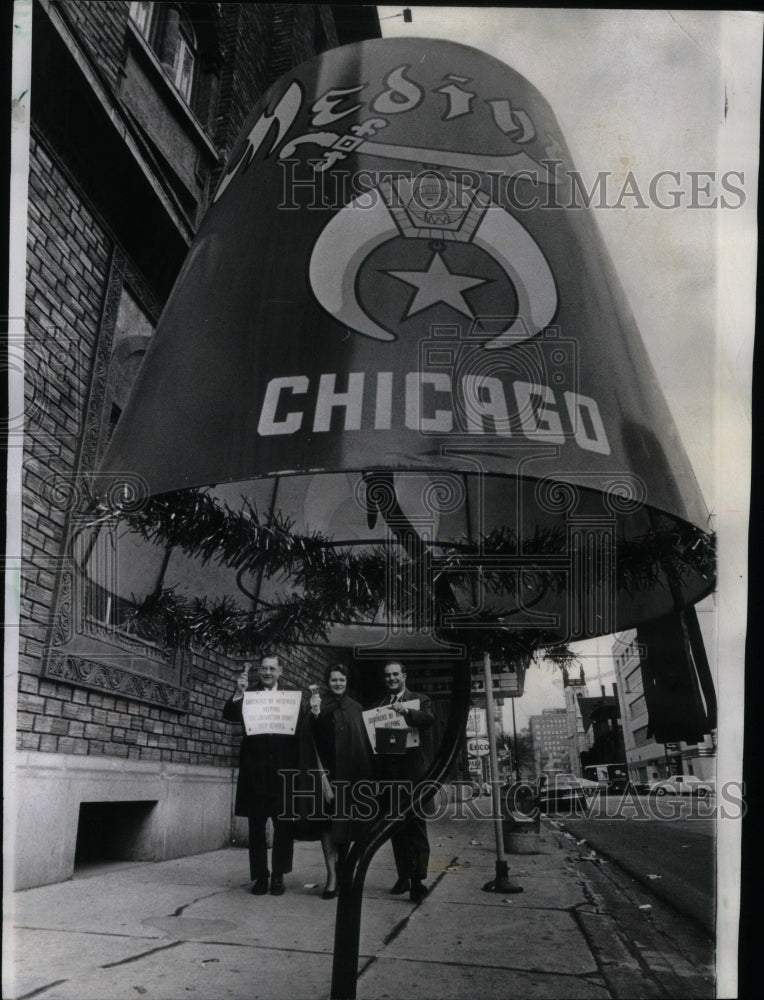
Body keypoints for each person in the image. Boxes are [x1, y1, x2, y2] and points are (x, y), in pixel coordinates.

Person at [222, 654, 302, 897]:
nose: (267, 672)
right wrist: (239, 692)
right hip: (255, 771)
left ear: (280, 671)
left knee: (284, 826)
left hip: (282, 771)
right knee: (256, 825)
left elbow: (300, 730)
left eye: (271, 668)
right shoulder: (249, 695)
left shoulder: (291, 698)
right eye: (263, 669)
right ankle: (260, 876)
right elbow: (230, 715)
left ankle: (278, 875)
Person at [307, 663, 374, 899]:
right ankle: (331, 876)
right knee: (326, 826)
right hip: (326, 775)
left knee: (347, 823)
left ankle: (346, 871)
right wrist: (314, 715)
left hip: (350, 775)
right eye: (334, 680)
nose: (338, 684)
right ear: (328, 682)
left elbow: (363, 742)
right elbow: (309, 736)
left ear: (346, 682)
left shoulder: (356, 708)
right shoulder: (318, 705)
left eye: (341, 680)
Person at [374, 661, 435, 904]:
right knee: (395, 828)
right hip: (390, 775)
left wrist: (405, 712)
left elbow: (428, 719)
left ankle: (418, 880)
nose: (391, 678)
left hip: (413, 775)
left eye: (395, 674)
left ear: (404, 676)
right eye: (387, 675)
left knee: (416, 827)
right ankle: (403, 876)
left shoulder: (419, 700)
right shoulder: (379, 705)